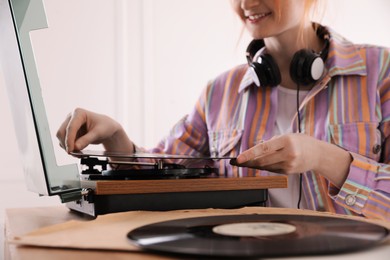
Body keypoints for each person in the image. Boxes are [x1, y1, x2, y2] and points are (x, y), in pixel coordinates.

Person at [57, 0, 390, 220]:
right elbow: (161, 176)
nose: (246, 3)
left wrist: (324, 158)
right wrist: (116, 136)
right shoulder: (219, 92)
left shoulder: (381, 71)